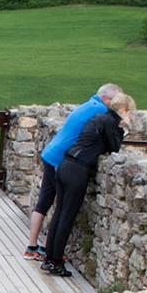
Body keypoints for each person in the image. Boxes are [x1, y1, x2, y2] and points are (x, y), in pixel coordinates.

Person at [41, 90, 135, 278]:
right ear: (124, 110)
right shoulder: (110, 122)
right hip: (78, 170)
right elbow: (114, 147)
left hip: (65, 164)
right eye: (131, 112)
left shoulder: (99, 118)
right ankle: (57, 261)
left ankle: (49, 257)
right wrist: (124, 128)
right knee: (67, 216)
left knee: (59, 212)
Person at [25, 84, 123, 260]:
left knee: (43, 202)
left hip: (51, 151)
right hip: (61, 158)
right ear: (106, 98)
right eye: (115, 100)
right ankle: (49, 251)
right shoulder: (101, 110)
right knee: (61, 205)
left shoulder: (89, 104)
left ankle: (31, 247)